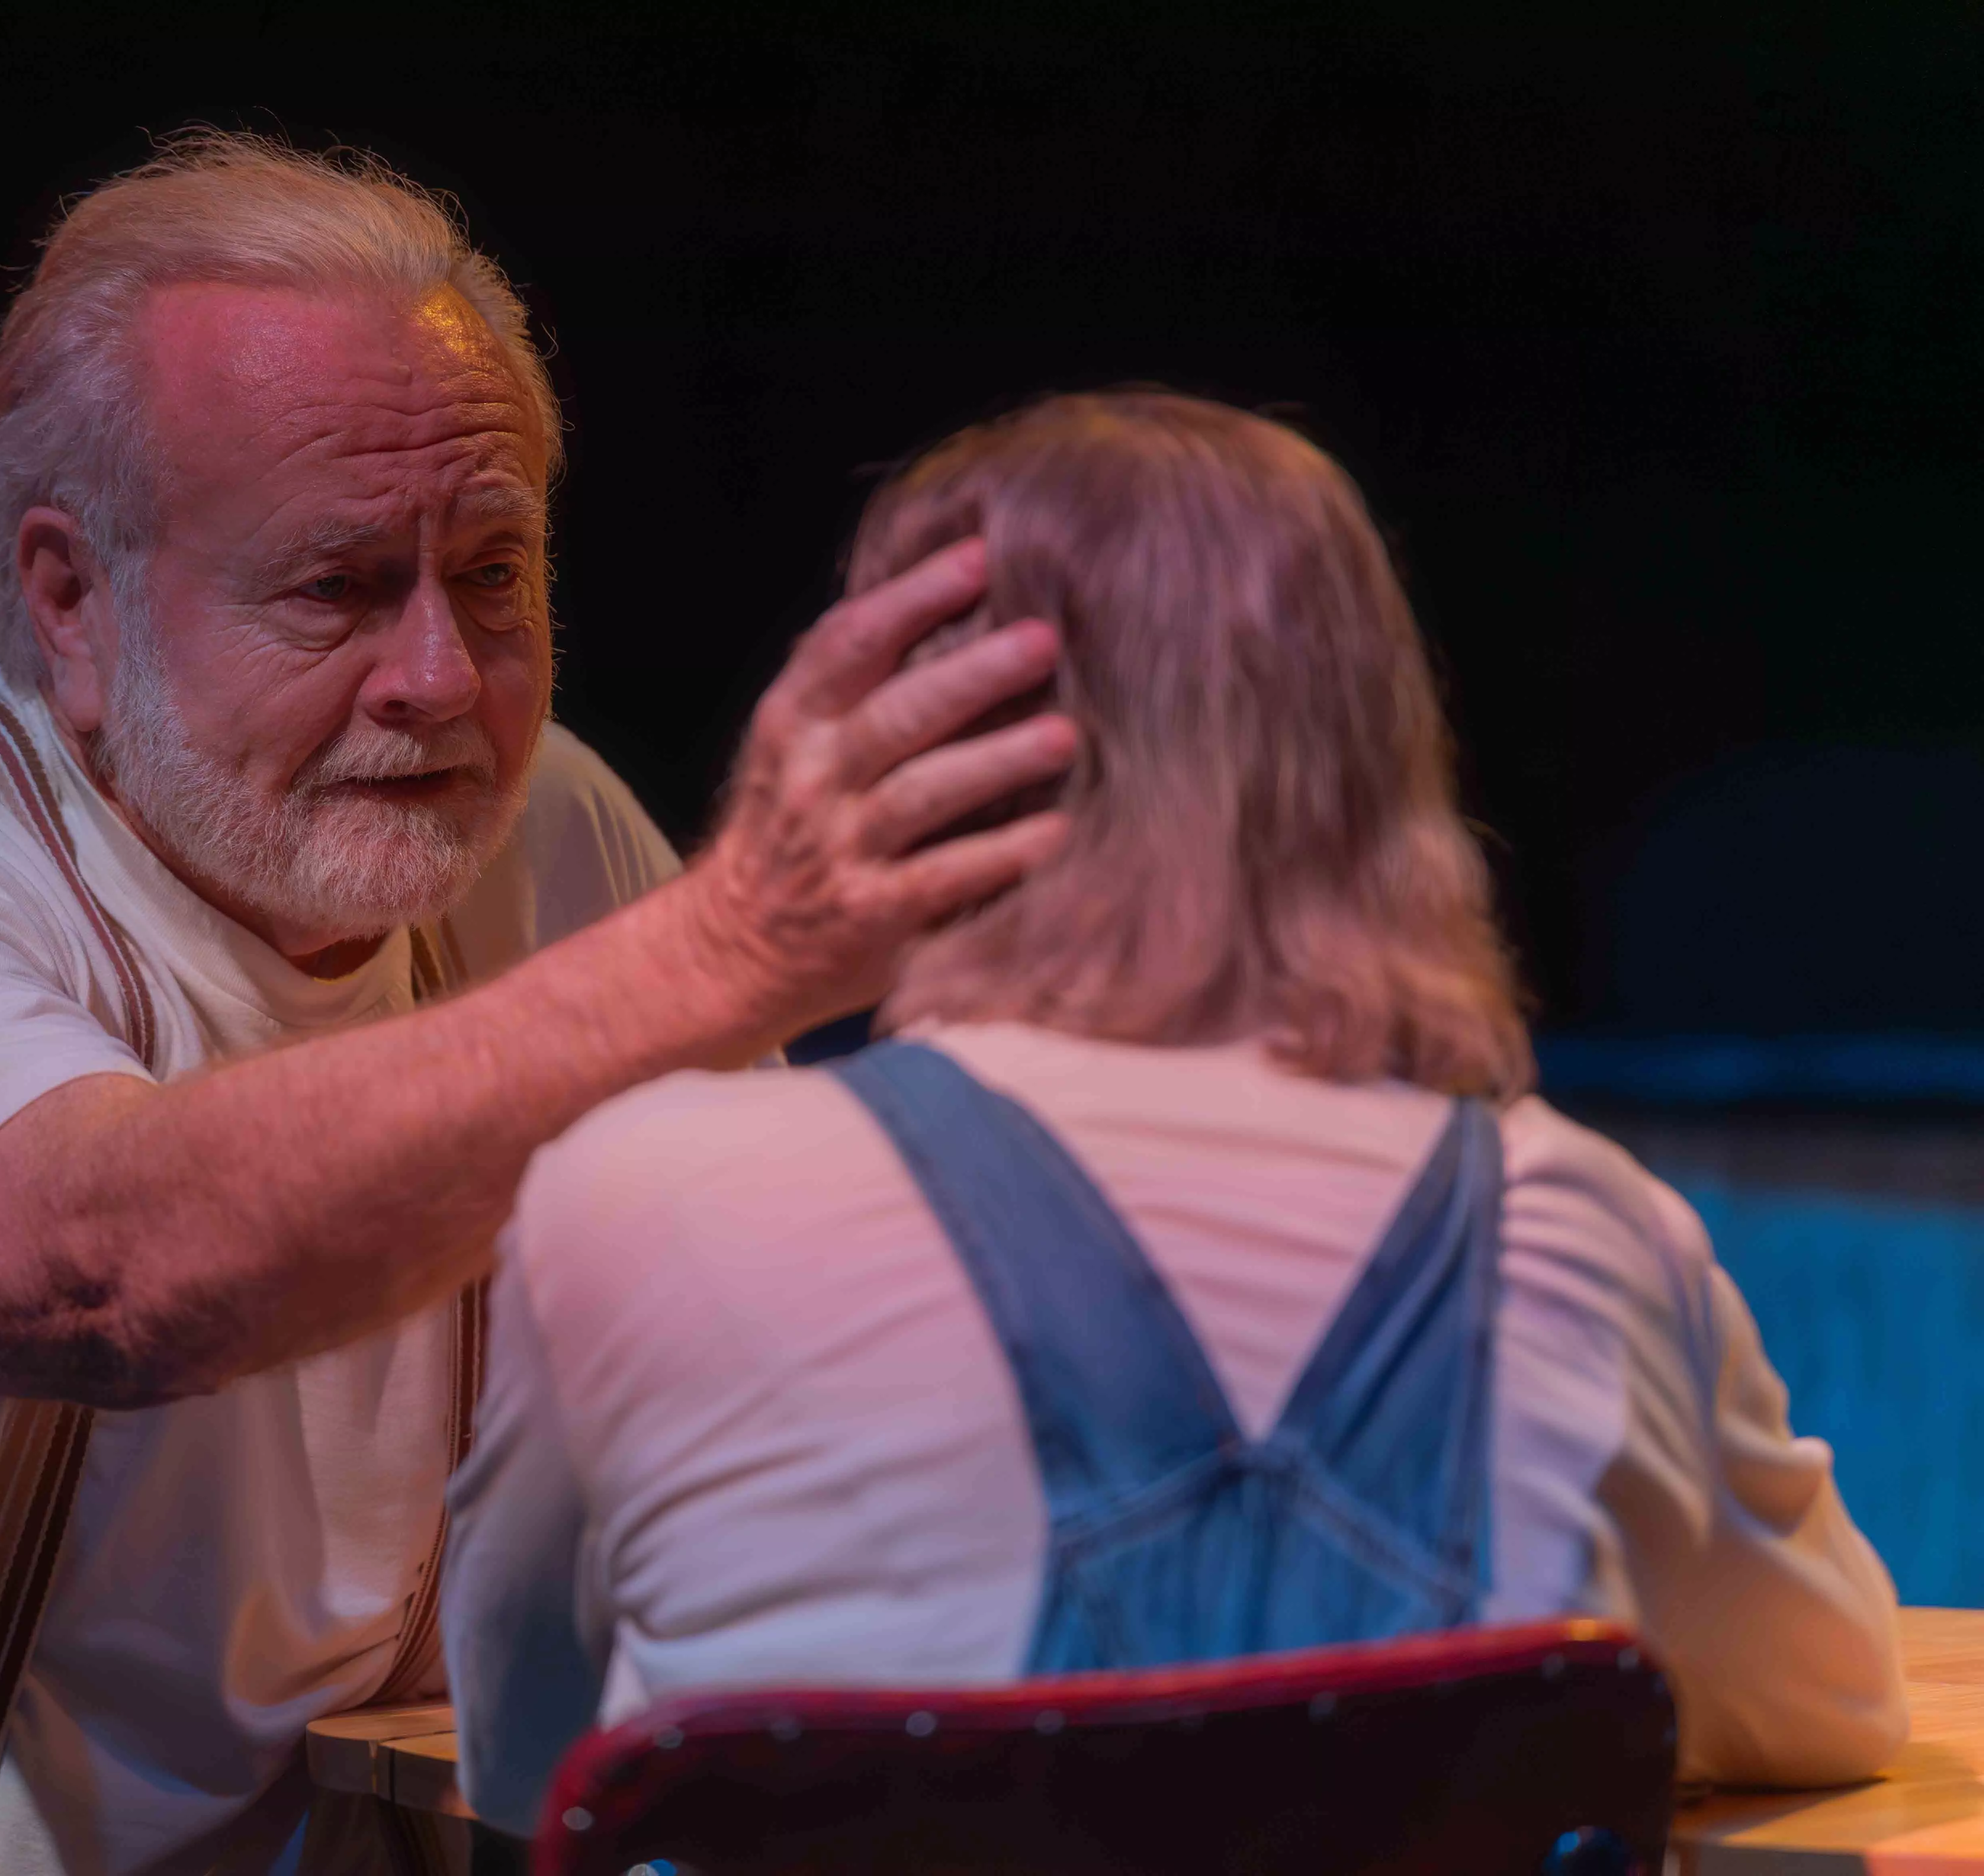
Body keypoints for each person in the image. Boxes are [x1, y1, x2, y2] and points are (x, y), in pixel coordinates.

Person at [0, 136, 1076, 1875]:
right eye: (339, 587)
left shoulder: (543, 832)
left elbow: (792, 1324)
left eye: (492, 574)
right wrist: (737, 940)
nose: (438, 679)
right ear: (71, 600)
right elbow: (105, 1272)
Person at [443, 389, 1911, 1837]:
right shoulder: (1580, 1227)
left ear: (900, 745)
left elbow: (523, 1770)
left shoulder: (633, 1193)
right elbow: (1829, 1707)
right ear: (1372, 763)